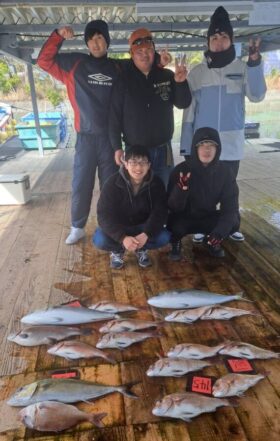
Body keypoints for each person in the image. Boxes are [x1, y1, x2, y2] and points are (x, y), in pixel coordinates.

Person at [180, 6, 266, 243]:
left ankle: (231, 224)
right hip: (202, 145)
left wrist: (255, 62)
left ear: (231, 40)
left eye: (224, 37)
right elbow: (189, 112)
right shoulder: (196, 73)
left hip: (230, 142)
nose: (218, 43)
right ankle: (200, 224)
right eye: (214, 38)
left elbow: (257, 95)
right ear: (208, 41)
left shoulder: (242, 68)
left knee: (229, 188)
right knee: (200, 188)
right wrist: (187, 144)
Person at [37, 20, 119, 244]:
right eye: (91, 39)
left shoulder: (118, 67)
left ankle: (110, 225)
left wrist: (160, 63)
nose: (95, 42)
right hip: (84, 138)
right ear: (87, 43)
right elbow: (43, 61)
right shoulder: (75, 63)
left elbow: (143, 69)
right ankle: (78, 226)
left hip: (111, 140)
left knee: (110, 185)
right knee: (81, 183)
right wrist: (58, 35)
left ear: (107, 41)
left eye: (100, 37)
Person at [109, 28, 191, 188]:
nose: (145, 55)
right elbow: (114, 117)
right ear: (132, 54)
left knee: (163, 190)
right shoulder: (123, 80)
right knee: (136, 193)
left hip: (163, 149)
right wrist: (117, 147)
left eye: (149, 50)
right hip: (135, 152)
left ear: (154, 52)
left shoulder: (167, 75)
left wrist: (180, 82)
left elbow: (183, 103)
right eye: (139, 51)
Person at [93, 145, 170, 269]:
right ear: (126, 164)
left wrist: (146, 233)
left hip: (142, 227)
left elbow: (160, 212)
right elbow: (103, 214)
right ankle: (118, 250)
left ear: (149, 165)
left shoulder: (157, 183)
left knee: (164, 237)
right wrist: (122, 238)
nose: (138, 167)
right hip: (120, 227)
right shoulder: (112, 183)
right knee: (100, 239)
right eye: (133, 162)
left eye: (143, 162)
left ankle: (141, 249)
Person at [168, 127, 240, 259]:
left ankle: (213, 240)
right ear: (195, 148)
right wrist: (181, 190)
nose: (207, 150)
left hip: (208, 216)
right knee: (173, 225)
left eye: (211, 145)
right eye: (202, 145)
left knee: (234, 220)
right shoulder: (181, 170)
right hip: (185, 217)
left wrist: (219, 232)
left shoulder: (225, 171)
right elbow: (172, 207)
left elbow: (230, 207)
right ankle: (176, 242)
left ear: (217, 149)